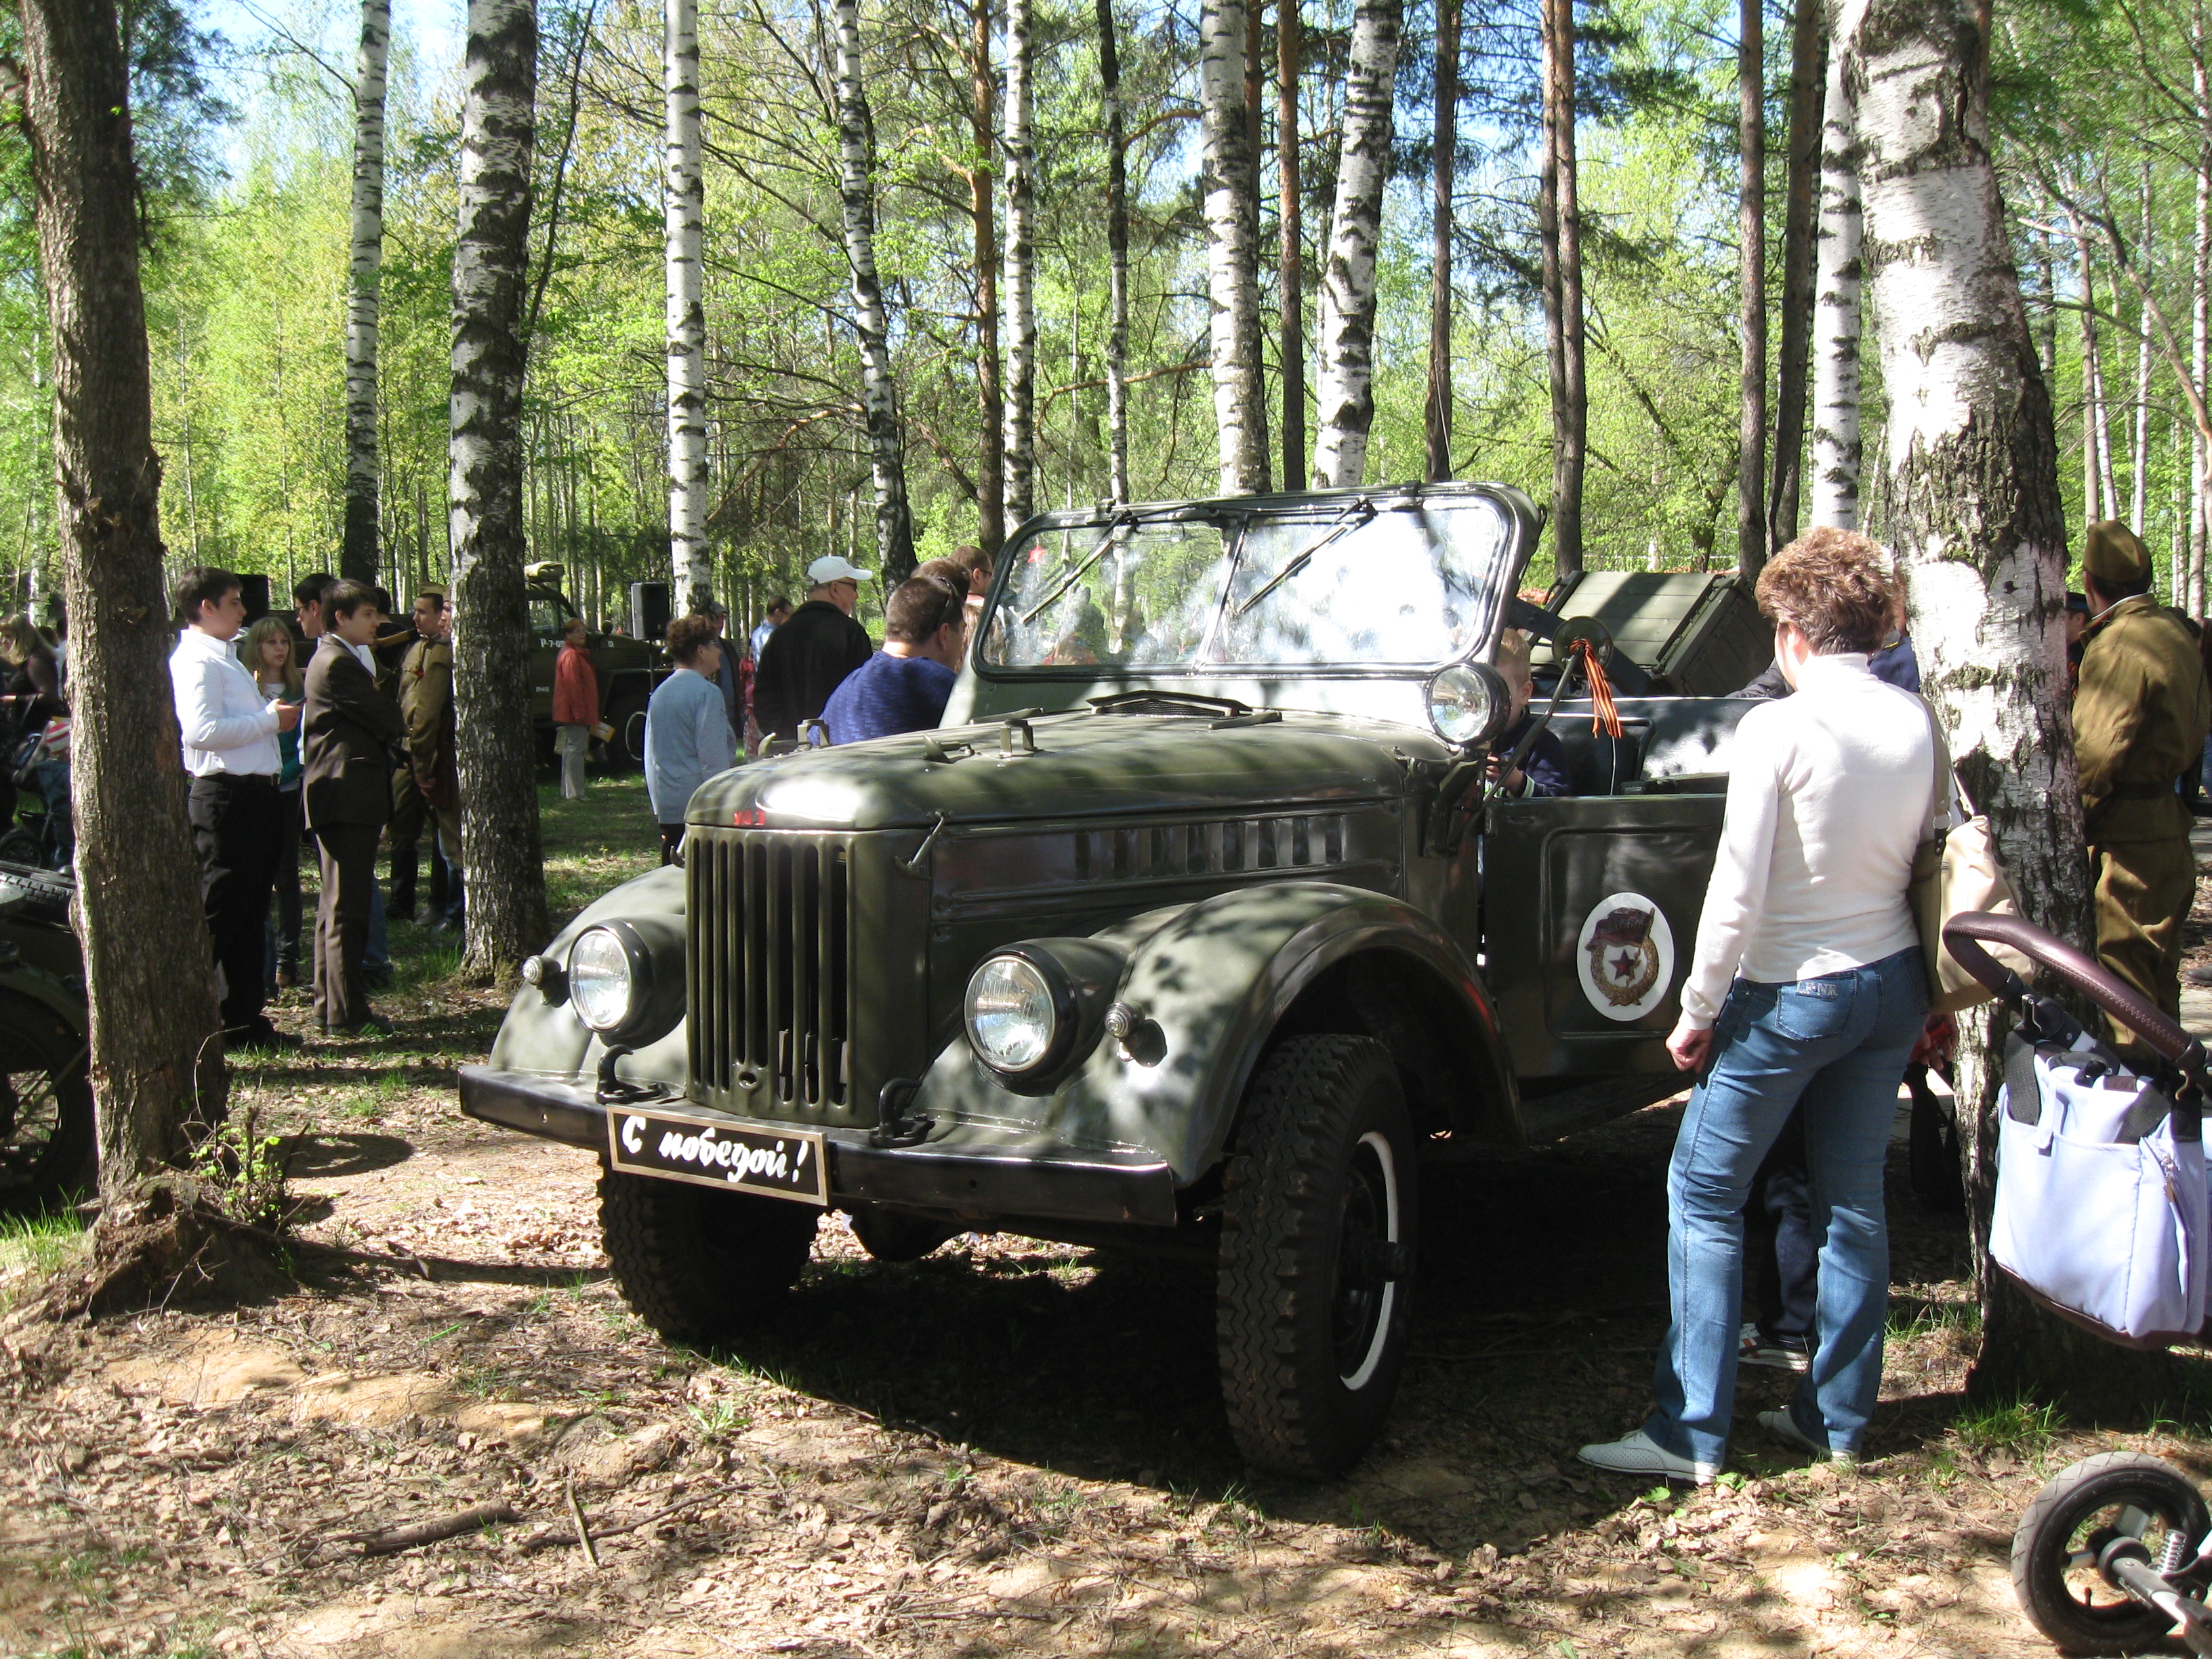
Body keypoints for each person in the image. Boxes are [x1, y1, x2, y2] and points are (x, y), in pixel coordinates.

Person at [1578, 528, 1936, 1483]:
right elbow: (1927, 851)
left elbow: (1736, 892)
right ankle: (1837, 1419)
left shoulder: (1778, 729)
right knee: (1854, 1201)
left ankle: (1688, 1431)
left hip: (1791, 994)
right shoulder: (1916, 721)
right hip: (1893, 981)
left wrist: (1696, 1008)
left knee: (1703, 1194)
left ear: (1791, 635)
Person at [2074, 520, 2212, 1054]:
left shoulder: (2119, 645)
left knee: (2124, 987)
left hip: (2129, 841)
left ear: (2090, 583)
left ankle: (2136, 1096)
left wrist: (2071, 824)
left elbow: (2096, 754)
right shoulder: (2172, 632)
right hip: (2166, 826)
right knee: (2157, 978)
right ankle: (2172, 1087)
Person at [170, 567, 301, 1052]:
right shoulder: (197, 660)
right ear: (206, 607)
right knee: (221, 910)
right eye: (234, 602)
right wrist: (267, 721)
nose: (244, 610)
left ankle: (242, 1020)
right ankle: (177, 1016)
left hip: (255, 795)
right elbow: (200, 732)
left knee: (249, 912)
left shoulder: (223, 656)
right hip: (226, 797)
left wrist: (266, 719)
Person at [303, 581, 407, 1036]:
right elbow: (389, 717)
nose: (377, 622)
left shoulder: (337, 658)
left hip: (343, 794)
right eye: (367, 614)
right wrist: (387, 712)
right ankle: (346, 1012)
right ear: (340, 617)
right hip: (346, 795)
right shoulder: (337, 662)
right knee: (348, 906)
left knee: (336, 904)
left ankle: (330, 1005)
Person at [821, 575, 967, 743]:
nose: (963, 641)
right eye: (962, 631)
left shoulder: (845, 690)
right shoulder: (939, 684)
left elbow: (813, 739)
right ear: (945, 634)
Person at [392, 586, 463, 933]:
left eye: (425, 612)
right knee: (404, 827)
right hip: (408, 749)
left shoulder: (444, 654)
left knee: (447, 836)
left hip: (434, 754)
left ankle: (447, 909)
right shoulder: (418, 649)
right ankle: (403, 902)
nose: (416, 618)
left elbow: (430, 713)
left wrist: (424, 763)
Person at [243, 617, 307, 991]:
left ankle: (287, 959)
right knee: (256, 875)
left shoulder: (299, 686)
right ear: (257, 647)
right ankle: (260, 961)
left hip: (287, 789)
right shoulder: (245, 686)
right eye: (271, 642)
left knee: (286, 876)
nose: (280, 648)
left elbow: (305, 742)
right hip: (254, 788)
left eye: (284, 641)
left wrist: (286, 772)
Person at [645, 613, 737, 864]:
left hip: (669, 805)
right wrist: (722, 807)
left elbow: (650, 755)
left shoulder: (660, 693)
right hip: (701, 809)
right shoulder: (707, 693)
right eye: (714, 644)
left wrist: (660, 806)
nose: (719, 651)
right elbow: (713, 758)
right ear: (701, 651)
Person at [753, 556, 874, 743]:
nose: (856, 596)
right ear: (835, 589)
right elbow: (864, 696)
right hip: (841, 748)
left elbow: (764, 699)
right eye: (854, 587)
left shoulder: (780, 636)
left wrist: (786, 739)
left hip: (792, 751)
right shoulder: (851, 633)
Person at [1486, 629, 1572, 798]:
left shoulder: (1538, 742)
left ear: (1524, 693)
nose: (1486, 698)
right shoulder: (1457, 736)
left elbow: (1557, 799)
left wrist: (1516, 782)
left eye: (1497, 688)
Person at [553, 615, 599, 800]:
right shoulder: (571, 655)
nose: (582, 634)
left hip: (572, 710)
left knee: (571, 748)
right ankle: (575, 792)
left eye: (583, 631)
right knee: (577, 749)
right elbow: (573, 686)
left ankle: (568, 791)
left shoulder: (574, 653)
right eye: (577, 631)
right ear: (568, 635)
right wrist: (579, 712)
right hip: (574, 711)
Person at [748, 597, 791, 663]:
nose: (790, 619)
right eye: (788, 615)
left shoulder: (757, 632)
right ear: (778, 613)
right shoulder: (773, 635)